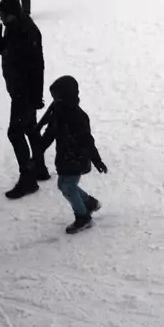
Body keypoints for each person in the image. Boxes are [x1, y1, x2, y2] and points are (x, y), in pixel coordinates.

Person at [0, 0, 48, 198]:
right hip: (18, 88)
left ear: (13, 14)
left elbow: (37, 66)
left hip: (24, 92)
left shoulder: (27, 32)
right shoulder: (14, 27)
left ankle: (28, 180)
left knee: (15, 133)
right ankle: (39, 168)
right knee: (30, 129)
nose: (1, 19)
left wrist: (36, 96)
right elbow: (10, 53)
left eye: (3, 15)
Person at [38, 75, 108, 234]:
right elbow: (50, 133)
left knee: (68, 187)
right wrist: (39, 149)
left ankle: (83, 218)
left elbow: (88, 141)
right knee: (63, 185)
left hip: (77, 158)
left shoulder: (78, 117)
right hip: (64, 157)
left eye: (58, 98)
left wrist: (96, 160)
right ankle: (88, 202)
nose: (55, 101)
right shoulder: (58, 112)